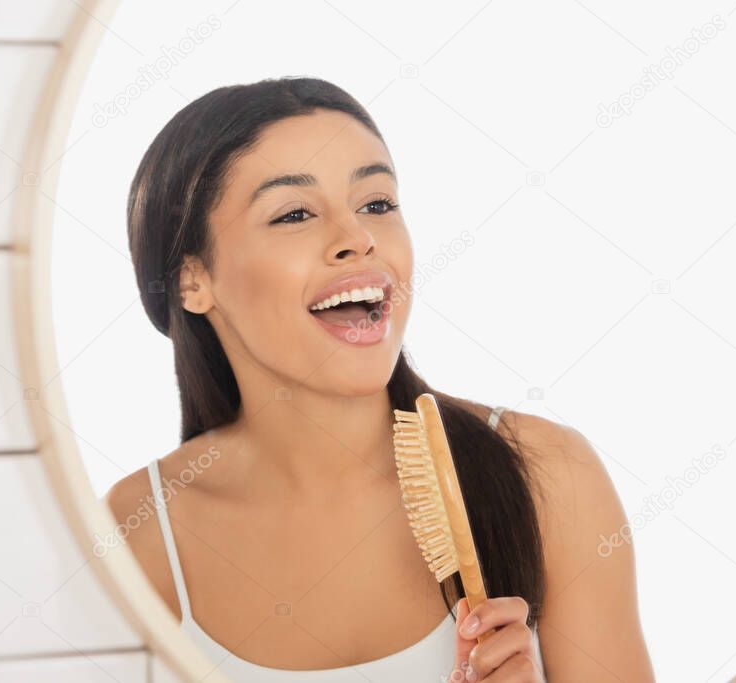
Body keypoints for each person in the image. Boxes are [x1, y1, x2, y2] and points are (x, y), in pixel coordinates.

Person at [105, 76, 655, 682]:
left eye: (377, 204)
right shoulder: (138, 535)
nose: (358, 239)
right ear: (192, 281)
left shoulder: (550, 476)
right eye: (294, 213)